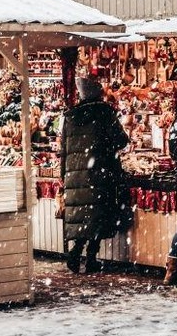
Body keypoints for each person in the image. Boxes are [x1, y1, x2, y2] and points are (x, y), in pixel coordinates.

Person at [61, 77, 131, 274]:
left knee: (84, 216)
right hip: (100, 171)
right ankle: (91, 257)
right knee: (97, 216)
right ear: (98, 93)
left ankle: (75, 252)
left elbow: (63, 150)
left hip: (75, 175)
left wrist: (63, 176)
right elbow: (121, 140)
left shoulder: (70, 117)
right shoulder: (105, 113)